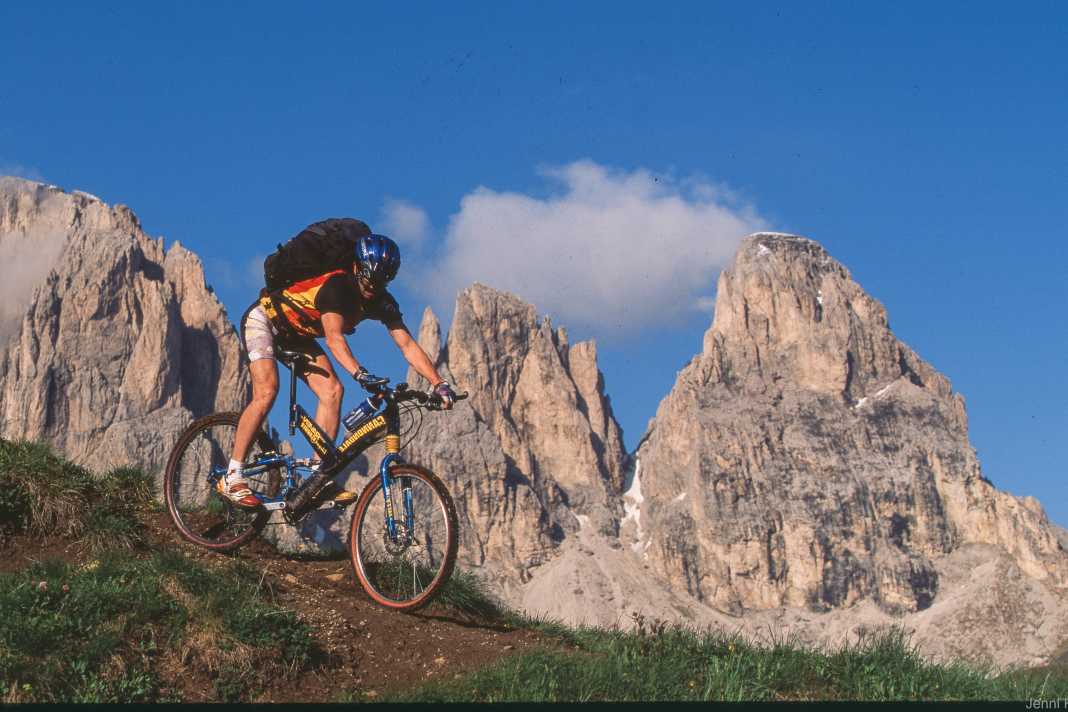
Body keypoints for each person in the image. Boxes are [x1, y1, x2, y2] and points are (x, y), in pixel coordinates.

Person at [224, 229, 455, 508]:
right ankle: (233, 474)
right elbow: (334, 338)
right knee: (267, 391)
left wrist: (438, 382)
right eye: (368, 279)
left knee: (333, 390)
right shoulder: (338, 287)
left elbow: (406, 344)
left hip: (297, 335)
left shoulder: (380, 299)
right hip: (266, 319)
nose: (372, 288)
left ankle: (314, 479)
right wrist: (360, 372)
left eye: (380, 283)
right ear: (356, 267)